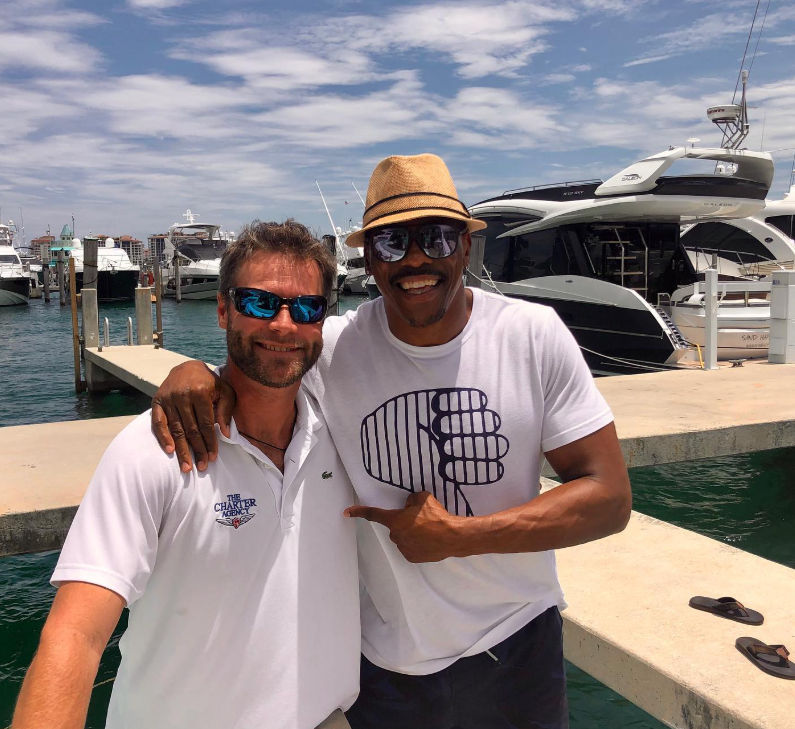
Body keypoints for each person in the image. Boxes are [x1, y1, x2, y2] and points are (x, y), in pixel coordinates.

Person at [150, 154, 632, 729]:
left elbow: (608, 497)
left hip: (516, 644)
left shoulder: (532, 335)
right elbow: (267, 350)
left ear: (466, 247)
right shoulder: (334, 347)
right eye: (392, 244)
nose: (417, 260)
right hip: (385, 665)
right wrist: (194, 373)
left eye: (436, 238)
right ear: (369, 260)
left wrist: (461, 538)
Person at [12, 221, 360, 729]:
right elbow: (76, 637)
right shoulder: (154, 450)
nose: (284, 324)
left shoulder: (341, 431)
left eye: (306, 308)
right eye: (260, 303)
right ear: (223, 310)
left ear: (321, 323)